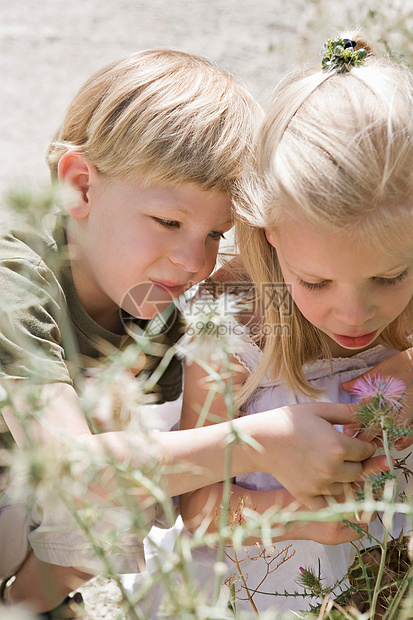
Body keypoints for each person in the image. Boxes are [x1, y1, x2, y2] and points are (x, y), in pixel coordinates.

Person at [0, 48, 384, 618]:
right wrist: (262, 439)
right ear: (80, 186)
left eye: (215, 234)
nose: (193, 261)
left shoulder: (153, 320)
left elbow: (125, 509)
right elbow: (81, 474)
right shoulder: (16, 283)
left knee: (135, 491)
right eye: (169, 222)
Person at [177, 32, 413, 615]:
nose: (354, 313)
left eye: (390, 278)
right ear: (267, 234)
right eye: (316, 283)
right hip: (277, 585)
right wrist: (300, 515)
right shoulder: (234, 317)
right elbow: (198, 507)